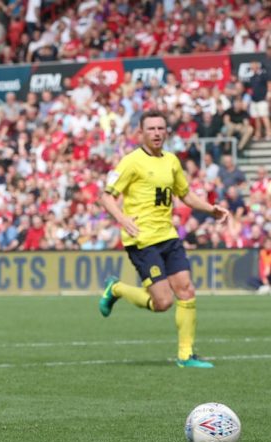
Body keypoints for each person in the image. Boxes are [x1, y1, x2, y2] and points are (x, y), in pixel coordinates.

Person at [98, 110, 229, 369]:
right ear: (141, 133)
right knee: (163, 302)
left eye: (161, 128)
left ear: (166, 132)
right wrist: (123, 219)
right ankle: (116, 289)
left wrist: (210, 209)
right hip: (142, 239)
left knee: (186, 290)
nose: (157, 133)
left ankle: (185, 355)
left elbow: (186, 194)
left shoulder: (171, 161)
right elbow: (106, 196)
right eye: (151, 129)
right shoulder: (130, 162)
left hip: (168, 236)